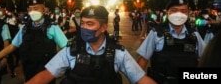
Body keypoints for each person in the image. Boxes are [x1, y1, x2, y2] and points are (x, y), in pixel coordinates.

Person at [24, 5, 157, 84]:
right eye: (83, 23)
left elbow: (141, 79)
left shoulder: (118, 53)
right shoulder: (71, 51)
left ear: (104, 27)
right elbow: (45, 75)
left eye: (90, 24)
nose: (84, 28)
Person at [0, 0, 68, 83]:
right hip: (29, 70)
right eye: (30, 9)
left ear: (43, 10)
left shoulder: (52, 27)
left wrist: (60, 68)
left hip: (46, 72)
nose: (32, 12)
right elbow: (12, 46)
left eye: (36, 9)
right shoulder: (25, 28)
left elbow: (65, 48)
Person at [136, 0, 206, 84]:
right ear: (167, 12)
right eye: (174, 10)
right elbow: (142, 61)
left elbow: (206, 59)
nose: (179, 14)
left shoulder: (194, 35)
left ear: (188, 13)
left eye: (183, 11)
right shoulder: (157, 33)